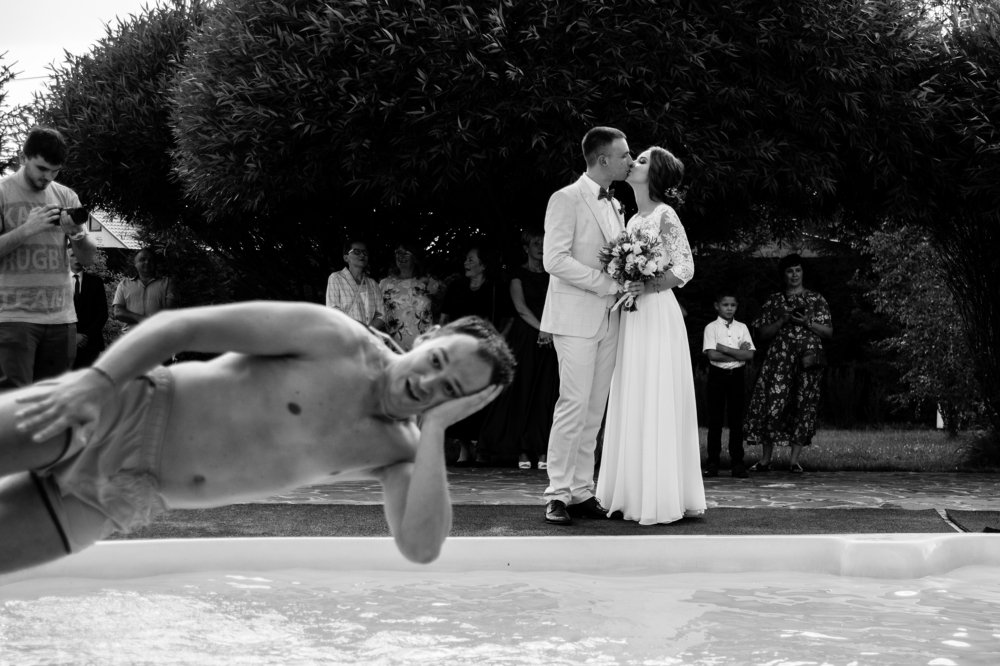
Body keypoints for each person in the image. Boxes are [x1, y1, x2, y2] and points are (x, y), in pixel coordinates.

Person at [0, 301, 515, 575]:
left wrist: (436, 429)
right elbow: (181, 327)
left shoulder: (398, 450)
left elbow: (420, 548)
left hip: (122, 496)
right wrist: (96, 382)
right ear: (427, 336)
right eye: (436, 361)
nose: (428, 383)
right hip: (118, 410)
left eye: (449, 391)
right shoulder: (333, 337)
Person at [595, 146, 706, 525]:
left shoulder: (664, 215)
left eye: (641, 160)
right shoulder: (631, 219)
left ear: (654, 174)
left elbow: (685, 267)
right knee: (633, 391)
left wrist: (648, 285)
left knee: (655, 392)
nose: (633, 163)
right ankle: (630, 493)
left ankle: (660, 496)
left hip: (657, 312)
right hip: (633, 317)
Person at [540, 126, 633, 525]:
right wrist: (607, 284)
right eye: (624, 155)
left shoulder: (616, 204)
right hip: (575, 317)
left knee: (594, 409)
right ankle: (557, 493)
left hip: (611, 318)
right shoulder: (566, 198)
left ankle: (581, 490)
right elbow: (554, 260)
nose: (630, 160)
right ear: (603, 159)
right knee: (573, 405)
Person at [0, 126, 98, 388]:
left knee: (55, 403)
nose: (48, 177)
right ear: (23, 158)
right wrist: (27, 229)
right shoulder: (2, 192)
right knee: (13, 402)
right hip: (12, 317)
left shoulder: (66, 195)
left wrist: (76, 233)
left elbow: (88, 259)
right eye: (42, 168)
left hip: (61, 319)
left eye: (55, 171)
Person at [477, 228, 559, 470]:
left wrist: (550, 330)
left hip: (551, 337)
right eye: (536, 243)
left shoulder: (554, 274)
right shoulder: (517, 274)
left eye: (544, 242)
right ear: (526, 248)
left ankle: (542, 448)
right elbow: (520, 308)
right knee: (522, 391)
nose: (541, 247)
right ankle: (521, 449)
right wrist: (543, 329)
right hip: (526, 337)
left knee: (546, 393)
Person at [744, 254, 833, 473]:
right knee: (772, 405)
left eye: (798, 270)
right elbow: (762, 334)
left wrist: (807, 322)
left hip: (808, 361)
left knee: (804, 405)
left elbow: (828, 332)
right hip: (779, 361)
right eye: (790, 271)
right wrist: (782, 320)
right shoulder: (774, 300)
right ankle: (765, 460)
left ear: (803, 272)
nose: (794, 275)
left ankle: (794, 461)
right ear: (784, 275)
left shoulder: (816, 299)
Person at [438, 242, 513, 465]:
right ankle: (463, 448)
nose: (466, 263)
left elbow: (509, 318)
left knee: (482, 399)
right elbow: (444, 316)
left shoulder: (496, 288)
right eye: (466, 259)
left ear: (483, 264)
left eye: (471, 259)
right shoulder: (456, 286)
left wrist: (498, 341)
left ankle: (480, 446)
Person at [701, 291, 755, 478]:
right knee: (715, 420)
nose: (729, 308)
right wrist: (738, 353)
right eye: (725, 305)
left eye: (733, 305)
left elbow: (749, 354)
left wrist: (723, 348)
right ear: (717, 306)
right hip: (717, 376)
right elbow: (712, 355)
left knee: (736, 420)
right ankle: (713, 462)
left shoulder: (742, 328)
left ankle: (737, 463)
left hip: (737, 376)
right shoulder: (711, 328)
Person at [379, 241, 444, 350]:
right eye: (398, 252)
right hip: (395, 347)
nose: (401, 256)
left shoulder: (428, 282)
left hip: (424, 346)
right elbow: (377, 315)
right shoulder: (384, 284)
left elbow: (442, 312)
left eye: (406, 253)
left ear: (415, 257)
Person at [326, 239, 386, 332]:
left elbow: (382, 315)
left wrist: (367, 331)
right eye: (356, 252)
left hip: (367, 336)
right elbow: (333, 310)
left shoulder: (373, 284)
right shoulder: (336, 278)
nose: (362, 255)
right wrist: (359, 329)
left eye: (365, 252)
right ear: (346, 258)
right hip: (345, 335)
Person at [112, 248, 176, 333]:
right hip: (131, 336)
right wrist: (141, 319)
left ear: (155, 263)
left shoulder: (167, 283)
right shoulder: (124, 284)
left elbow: (169, 312)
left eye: (150, 260)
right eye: (142, 259)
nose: (147, 262)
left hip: (159, 335)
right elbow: (118, 312)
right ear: (135, 264)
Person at [69, 248, 108, 369]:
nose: (77, 258)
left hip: (90, 344)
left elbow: (102, 314)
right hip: (63, 345)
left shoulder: (96, 282)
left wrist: (84, 336)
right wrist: (72, 336)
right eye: (73, 255)